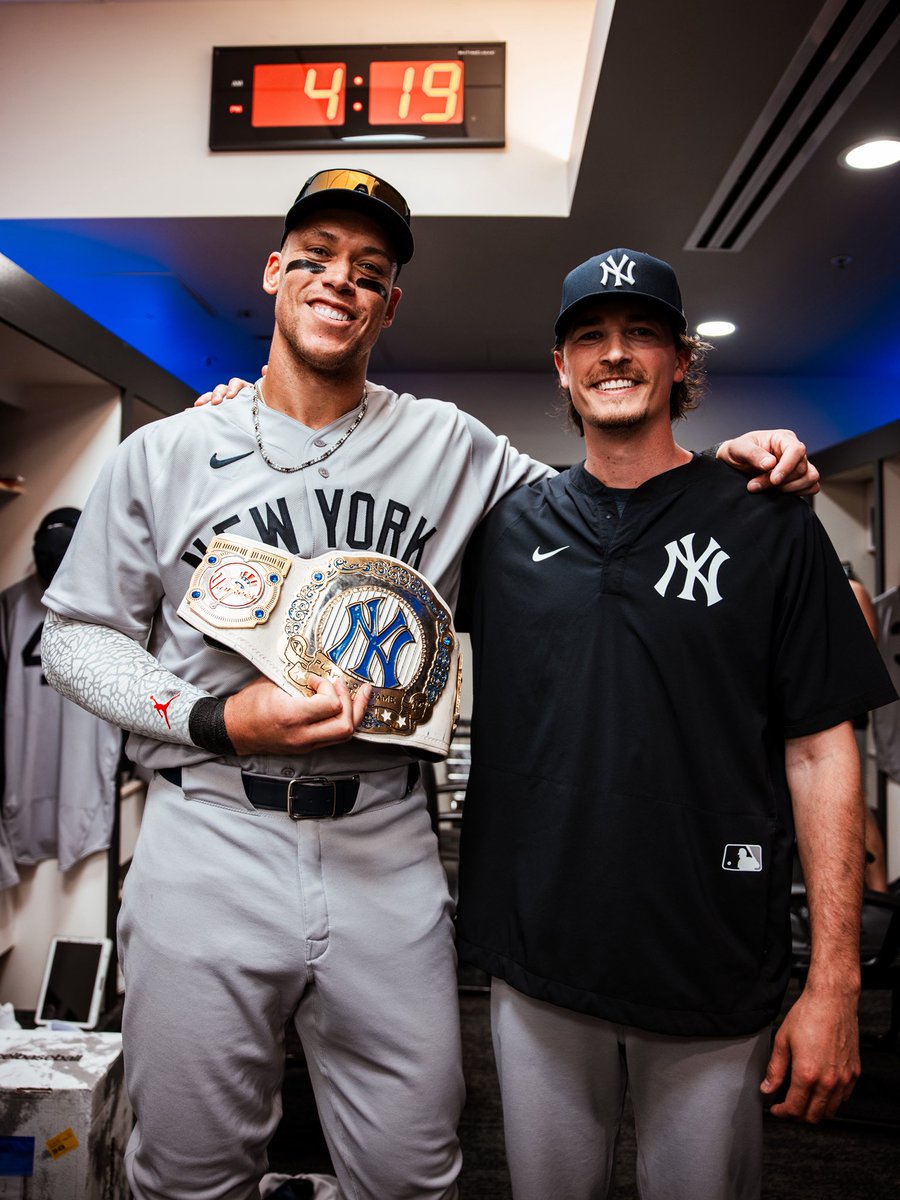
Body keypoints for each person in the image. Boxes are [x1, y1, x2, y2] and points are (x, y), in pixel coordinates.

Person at [41, 168, 820, 1200]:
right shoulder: (167, 451)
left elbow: (609, 509)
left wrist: (723, 469)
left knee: (413, 1171)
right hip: (210, 829)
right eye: (316, 258)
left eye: (369, 271)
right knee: (187, 1171)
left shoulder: (452, 446)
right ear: (273, 273)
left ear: (390, 304)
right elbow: (76, 638)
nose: (340, 281)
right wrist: (212, 715)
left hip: (385, 838)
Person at [453, 248, 898, 1200]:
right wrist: (245, 412)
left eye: (642, 333)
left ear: (682, 360)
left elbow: (822, 751)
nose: (615, 354)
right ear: (562, 366)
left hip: (710, 957)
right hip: (539, 954)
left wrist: (835, 982)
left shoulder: (771, 521)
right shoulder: (504, 529)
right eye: (590, 336)